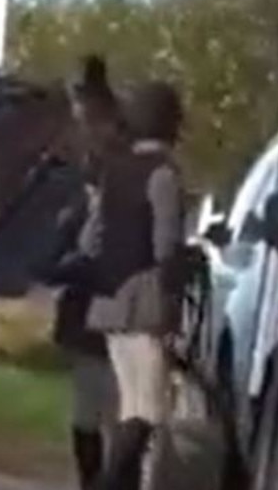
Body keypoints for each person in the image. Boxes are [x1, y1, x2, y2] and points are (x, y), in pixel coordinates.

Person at [84, 80, 187, 490]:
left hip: (108, 301)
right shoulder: (164, 175)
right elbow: (166, 246)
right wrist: (183, 272)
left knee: (131, 406)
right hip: (144, 304)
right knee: (148, 412)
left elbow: (88, 240)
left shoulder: (114, 172)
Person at [48, 185, 118, 490]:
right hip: (107, 323)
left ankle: (93, 482)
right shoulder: (86, 212)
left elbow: (55, 265)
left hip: (91, 322)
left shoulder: (88, 211)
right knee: (103, 411)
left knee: (91, 411)